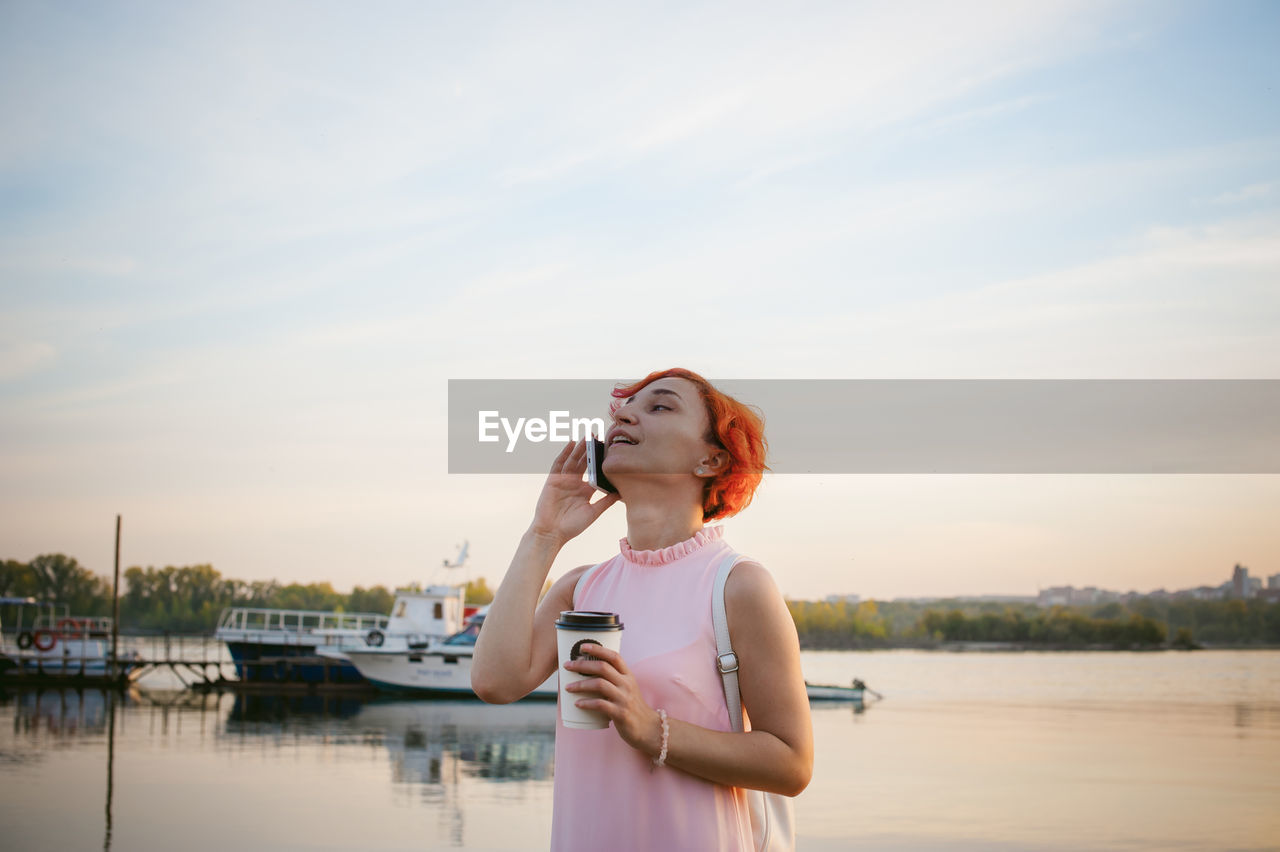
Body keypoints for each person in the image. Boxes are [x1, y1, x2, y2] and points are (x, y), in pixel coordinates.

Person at [471, 367, 813, 851]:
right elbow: (494, 683)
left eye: (659, 406)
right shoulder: (581, 588)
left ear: (710, 460)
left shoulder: (737, 586)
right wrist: (543, 536)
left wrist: (650, 727)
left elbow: (792, 764)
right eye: (621, 410)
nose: (624, 414)